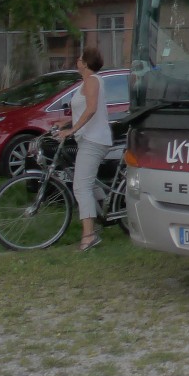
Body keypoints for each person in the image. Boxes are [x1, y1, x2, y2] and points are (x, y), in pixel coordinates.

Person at [57, 46, 113, 251]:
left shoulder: (92, 81)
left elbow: (91, 109)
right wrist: (64, 124)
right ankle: (105, 211)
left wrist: (73, 130)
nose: (77, 61)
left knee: (81, 187)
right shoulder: (87, 82)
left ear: (86, 63)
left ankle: (89, 235)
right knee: (88, 182)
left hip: (93, 140)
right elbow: (82, 111)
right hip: (89, 138)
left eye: (80, 59)